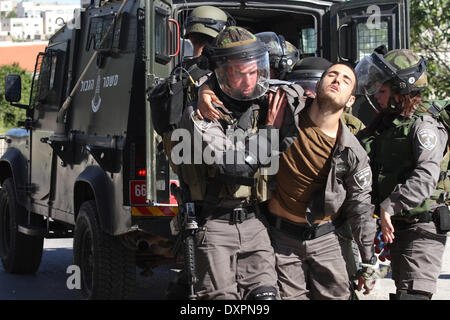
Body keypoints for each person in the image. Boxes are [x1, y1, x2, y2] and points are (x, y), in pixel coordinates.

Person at [175, 26, 297, 300]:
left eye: (253, 72)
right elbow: (235, 168)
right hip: (215, 224)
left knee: (266, 297)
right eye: (239, 73)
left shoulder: (260, 103)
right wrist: (269, 132)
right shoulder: (200, 112)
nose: (248, 81)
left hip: (255, 221)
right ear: (221, 72)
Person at [264, 62, 377, 300]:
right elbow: (244, 86)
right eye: (332, 75)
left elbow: (361, 207)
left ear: (351, 101)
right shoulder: (287, 113)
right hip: (281, 240)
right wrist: (205, 92)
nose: (337, 80)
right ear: (317, 85)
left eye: (346, 80)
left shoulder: (353, 153)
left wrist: (368, 260)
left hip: (327, 241)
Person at [356, 49, 449, 300]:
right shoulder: (387, 125)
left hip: (422, 228)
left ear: (401, 92)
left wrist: (390, 205)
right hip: (396, 227)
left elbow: (426, 174)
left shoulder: (424, 126)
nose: (376, 95)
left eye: (383, 90)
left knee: (412, 296)